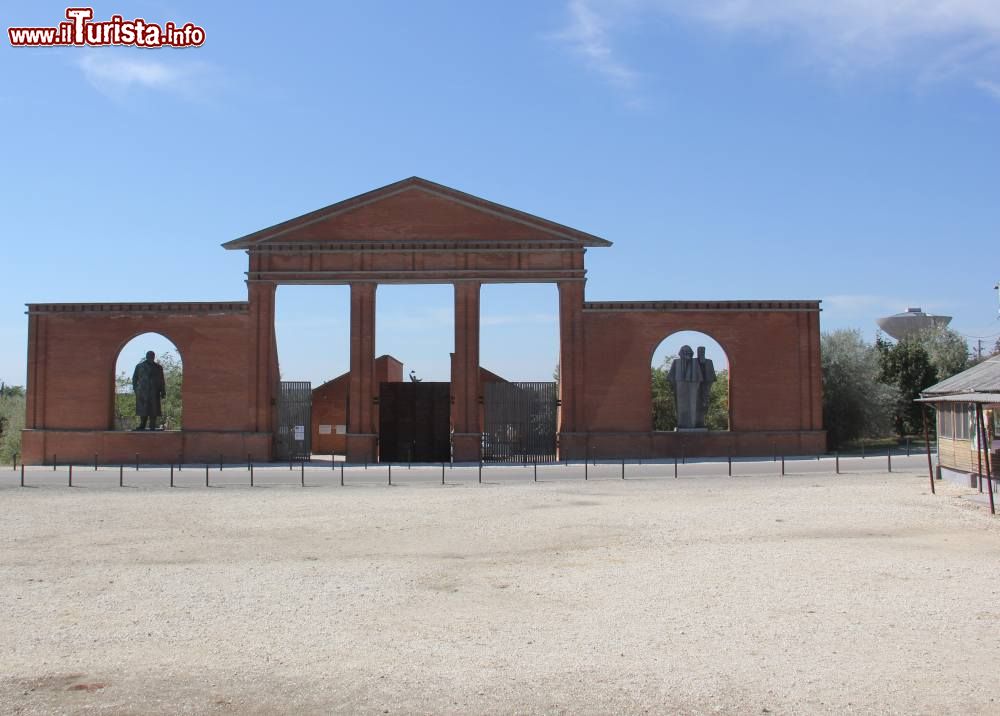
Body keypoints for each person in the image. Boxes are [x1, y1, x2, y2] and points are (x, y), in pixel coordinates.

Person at [667, 345, 702, 429]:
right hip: (680, 385)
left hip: (693, 385)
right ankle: (682, 424)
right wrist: (674, 386)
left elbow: (699, 376)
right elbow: (670, 377)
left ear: (691, 353)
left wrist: (697, 385)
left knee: (693, 404)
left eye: (688, 352)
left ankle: (693, 424)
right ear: (681, 353)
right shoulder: (676, 362)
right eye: (685, 352)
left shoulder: (695, 363)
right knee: (681, 405)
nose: (687, 353)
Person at [132, 351, 166, 430]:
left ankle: (152, 424)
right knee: (143, 409)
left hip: (154, 391)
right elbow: (134, 378)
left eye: (152, 356)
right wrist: (135, 389)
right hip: (142, 391)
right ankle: (142, 424)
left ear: (154, 357)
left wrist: (163, 391)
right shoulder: (139, 366)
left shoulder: (158, 367)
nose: (151, 357)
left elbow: (161, 380)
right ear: (146, 356)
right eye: (149, 355)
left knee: (154, 408)